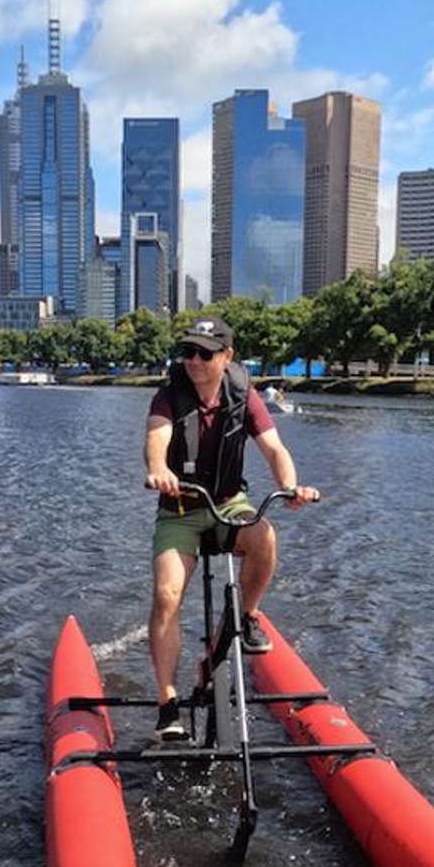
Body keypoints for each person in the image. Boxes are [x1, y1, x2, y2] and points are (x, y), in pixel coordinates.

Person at [143, 316, 320, 740]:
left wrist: (290, 486)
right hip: (181, 509)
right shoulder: (169, 396)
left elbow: (274, 448)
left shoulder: (244, 395)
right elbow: (156, 440)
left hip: (227, 504)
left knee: (264, 537)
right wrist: (159, 470)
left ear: (227, 357)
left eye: (204, 354)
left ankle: (246, 617)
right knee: (167, 594)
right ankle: (168, 704)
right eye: (188, 352)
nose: (194, 361)